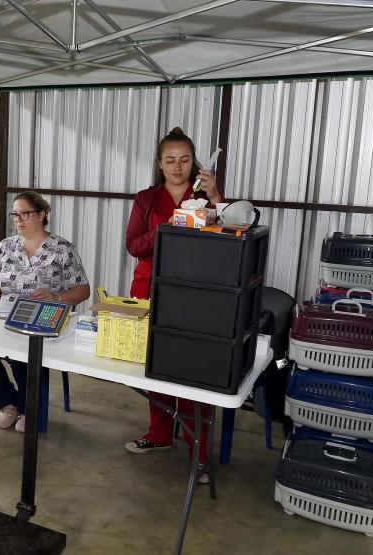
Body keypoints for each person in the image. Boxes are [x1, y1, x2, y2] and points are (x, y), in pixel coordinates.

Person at [123, 127, 225, 483]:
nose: (178, 167)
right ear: (160, 164)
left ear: (193, 163)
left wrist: (215, 197)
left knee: (194, 370)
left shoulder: (208, 198)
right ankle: (159, 435)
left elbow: (230, 237)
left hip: (194, 293)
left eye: (184, 160)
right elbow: (134, 245)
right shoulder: (146, 199)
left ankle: (200, 451)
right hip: (149, 288)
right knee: (157, 364)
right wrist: (167, 227)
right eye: (170, 160)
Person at [0, 191, 91, 432]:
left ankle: (28, 409)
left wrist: (56, 297)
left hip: (43, 318)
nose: (19, 219)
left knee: (22, 356)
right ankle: (9, 404)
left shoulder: (62, 249)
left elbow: (83, 290)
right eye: (15, 214)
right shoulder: (7, 246)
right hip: (6, 316)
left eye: (25, 213)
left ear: (42, 214)